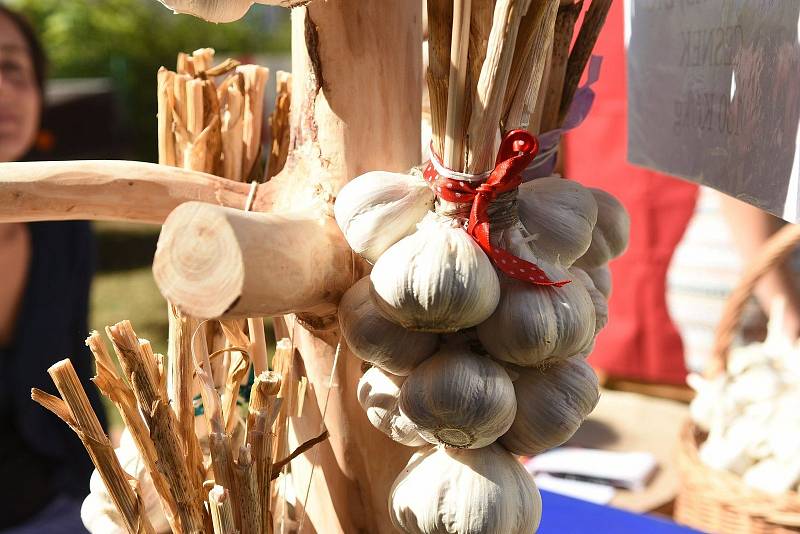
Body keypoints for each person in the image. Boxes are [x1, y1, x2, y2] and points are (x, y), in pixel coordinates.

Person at [0, 6, 105, 532]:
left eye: (12, 68)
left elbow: (77, 374)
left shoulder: (64, 225)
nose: (1, 93)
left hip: (61, 501)